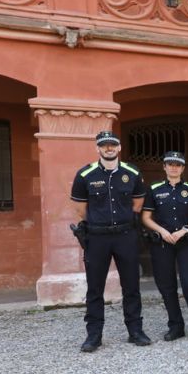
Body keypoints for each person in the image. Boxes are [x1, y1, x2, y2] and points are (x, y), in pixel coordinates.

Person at [70, 131, 151, 352]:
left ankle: (135, 331)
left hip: (125, 236)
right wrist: (100, 223)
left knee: (131, 285)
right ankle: (94, 335)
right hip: (97, 237)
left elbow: (137, 204)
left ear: (119, 147)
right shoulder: (85, 175)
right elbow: (80, 209)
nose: (108, 148)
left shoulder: (132, 173)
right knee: (95, 288)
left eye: (112, 144)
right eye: (104, 145)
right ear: (97, 149)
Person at [140, 151, 188, 342]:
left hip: (187, 242)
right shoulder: (154, 189)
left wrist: (185, 229)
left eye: (177, 164)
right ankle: (176, 326)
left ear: (182, 168)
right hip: (162, 242)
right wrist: (162, 231)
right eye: (170, 164)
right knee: (167, 286)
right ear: (164, 167)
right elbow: (145, 217)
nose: (174, 167)